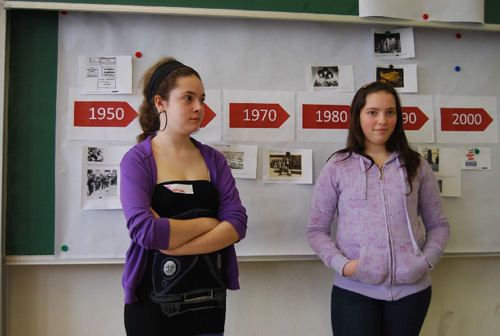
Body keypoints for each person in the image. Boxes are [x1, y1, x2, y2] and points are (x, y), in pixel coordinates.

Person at [306, 81, 450, 336]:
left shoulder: (416, 165)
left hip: (412, 291)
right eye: (372, 112)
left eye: (390, 112)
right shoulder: (338, 166)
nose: (382, 120)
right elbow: (316, 230)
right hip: (354, 290)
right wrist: (345, 266)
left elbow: (438, 225)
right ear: (358, 116)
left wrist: (424, 261)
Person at [120, 57, 248, 336]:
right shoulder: (137, 161)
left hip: (208, 302)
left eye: (202, 99)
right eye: (187, 98)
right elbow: (146, 231)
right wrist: (210, 223)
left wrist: (176, 245)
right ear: (160, 103)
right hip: (152, 306)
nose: (199, 108)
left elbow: (237, 223)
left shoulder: (213, 160)